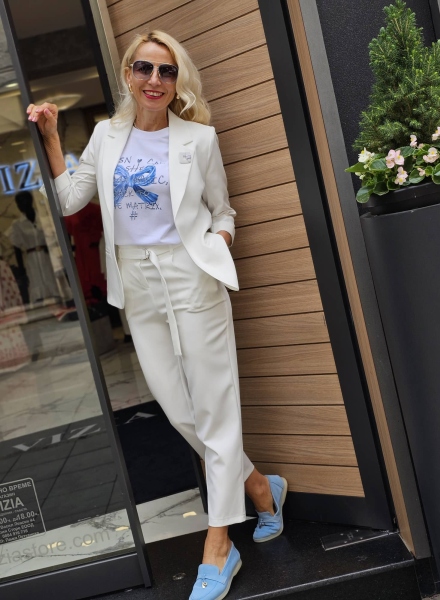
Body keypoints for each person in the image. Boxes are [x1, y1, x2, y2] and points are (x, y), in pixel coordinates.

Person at [27, 30, 287, 600]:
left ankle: (219, 543)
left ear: (177, 81)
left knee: (215, 408)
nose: (154, 80)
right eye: (144, 68)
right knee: (178, 408)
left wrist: (216, 243)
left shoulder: (199, 139)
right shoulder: (106, 135)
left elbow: (223, 210)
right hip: (136, 282)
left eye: (167, 71)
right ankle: (258, 485)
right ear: (128, 73)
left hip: (190, 274)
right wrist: (51, 138)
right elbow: (70, 200)